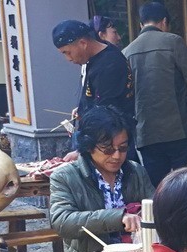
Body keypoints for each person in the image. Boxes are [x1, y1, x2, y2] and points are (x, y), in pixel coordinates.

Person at [49, 106, 153, 252]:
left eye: (123, 148)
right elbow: (62, 221)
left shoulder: (135, 171)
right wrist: (118, 218)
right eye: (108, 150)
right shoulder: (65, 176)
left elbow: (157, 205)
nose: (117, 156)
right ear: (89, 146)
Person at [122, 2, 187, 186]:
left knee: (158, 188)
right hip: (181, 130)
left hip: (147, 135)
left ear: (140, 24)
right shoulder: (173, 41)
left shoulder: (126, 52)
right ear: (164, 21)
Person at [53, 19, 136, 156]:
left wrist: (83, 149)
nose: (68, 58)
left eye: (67, 52)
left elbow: (106, 115)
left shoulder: (109, 64)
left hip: (110, 143)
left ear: (83, 43)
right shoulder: (97, 58)